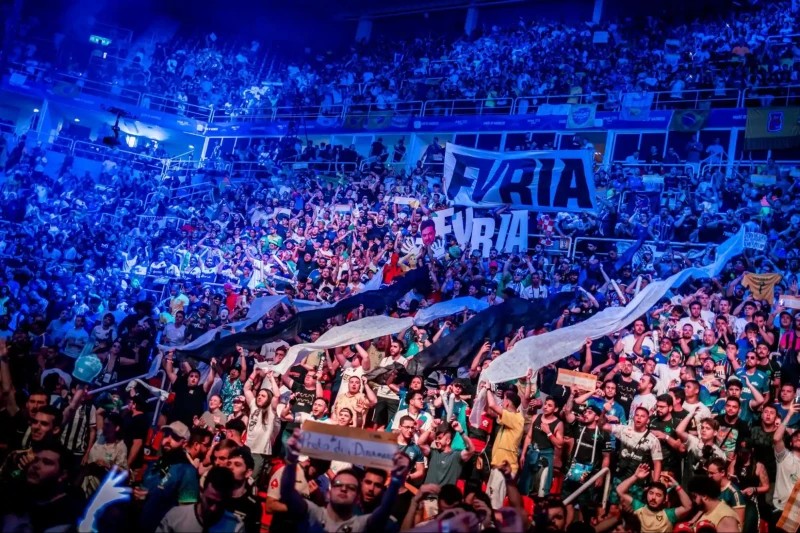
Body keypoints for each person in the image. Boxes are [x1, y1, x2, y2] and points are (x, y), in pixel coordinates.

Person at [280, 427, 411, 532]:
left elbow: (384, 510)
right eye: (338, 484)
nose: (343, 488)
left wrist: (396, 480)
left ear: (356, 496)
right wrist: (291, 460)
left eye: (351, 487)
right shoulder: (314, 514)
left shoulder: (360, 525)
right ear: (328, 492)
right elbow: (287, 493)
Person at [136, 421, 200, 532]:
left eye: (175, 437)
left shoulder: (188, 471)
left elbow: (187, 514)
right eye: (166, 435)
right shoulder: (155, 463)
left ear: (184, 443)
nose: (167, 440)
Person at [156, 466, 243, 532]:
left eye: (220, 504)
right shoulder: (175, 517)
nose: (213, 509)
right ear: (201, 492)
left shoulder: (235, 526)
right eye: (210, 501)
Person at [616, 464, 693, 532]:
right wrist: (635, 476)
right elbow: (620, 490)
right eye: (651, 493)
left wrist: (677, 486)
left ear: (665, 499)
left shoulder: (669, 514)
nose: (653, 497)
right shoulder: (638, 507)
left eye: (658, 495)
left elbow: (688, 506)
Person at [483, 384, 524, 509]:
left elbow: (492, 405)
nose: (502, 402)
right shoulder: (509, 418)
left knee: (495, 504)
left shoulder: (516, 418)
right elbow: (491, 410)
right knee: (489, 500)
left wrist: (488, 389)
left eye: (504, 399)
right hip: (498, 464)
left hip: (505, 468)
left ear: (507, 403)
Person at [224, 447, 262, 533]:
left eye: (237, 464)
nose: (231, 467)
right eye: (229, 464)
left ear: (248, 473)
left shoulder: (252, 505)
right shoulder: (218, 494)